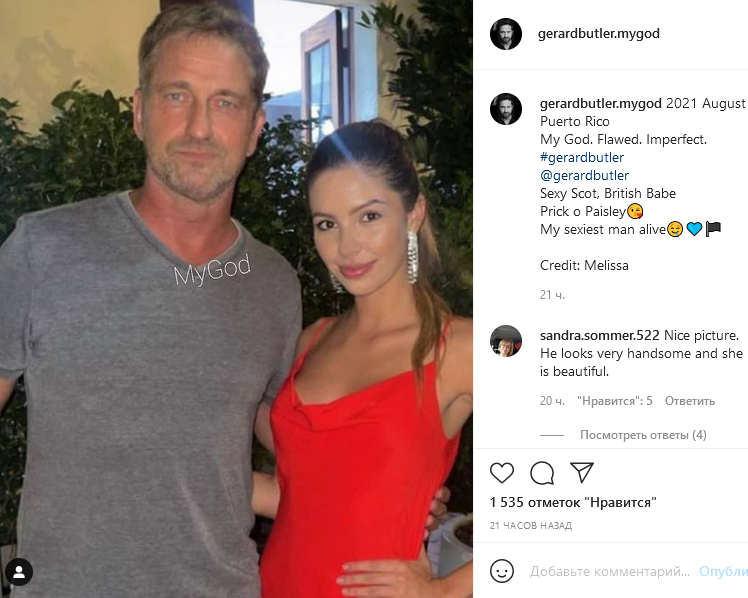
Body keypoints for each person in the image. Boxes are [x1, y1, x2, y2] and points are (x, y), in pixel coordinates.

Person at [0, 6, 447, 597]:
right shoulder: (45, 247)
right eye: (177, 96)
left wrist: (395, 487)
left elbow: (293, 456)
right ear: (139, 111)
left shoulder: (272, 285)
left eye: (226, 102)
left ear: (256, 127)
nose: (199, 128)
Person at [253, 121, 474, 598]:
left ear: (413, 213)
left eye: (368, 217)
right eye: (327, 224)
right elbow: (300, 497)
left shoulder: (458, 348)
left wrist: (446, 590)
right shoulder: (312, 341)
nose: (347, 247)